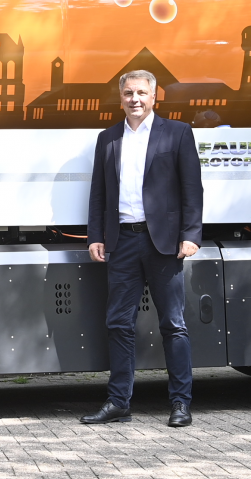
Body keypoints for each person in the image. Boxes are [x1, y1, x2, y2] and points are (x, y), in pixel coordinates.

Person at [80, 70, 202, 428]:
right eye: (129, 93)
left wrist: (190, 233)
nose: (135, 99)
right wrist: (95, 236)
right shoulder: (108, 138)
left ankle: (181, 403)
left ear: (154, 97)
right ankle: (119, 402)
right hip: (122, 241)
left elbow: (192, 189)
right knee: (118, 323)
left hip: (163, 243)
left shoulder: (177, 133)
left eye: (142, 93)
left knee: (173, 324)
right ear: (121, 98)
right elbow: (99, 193)